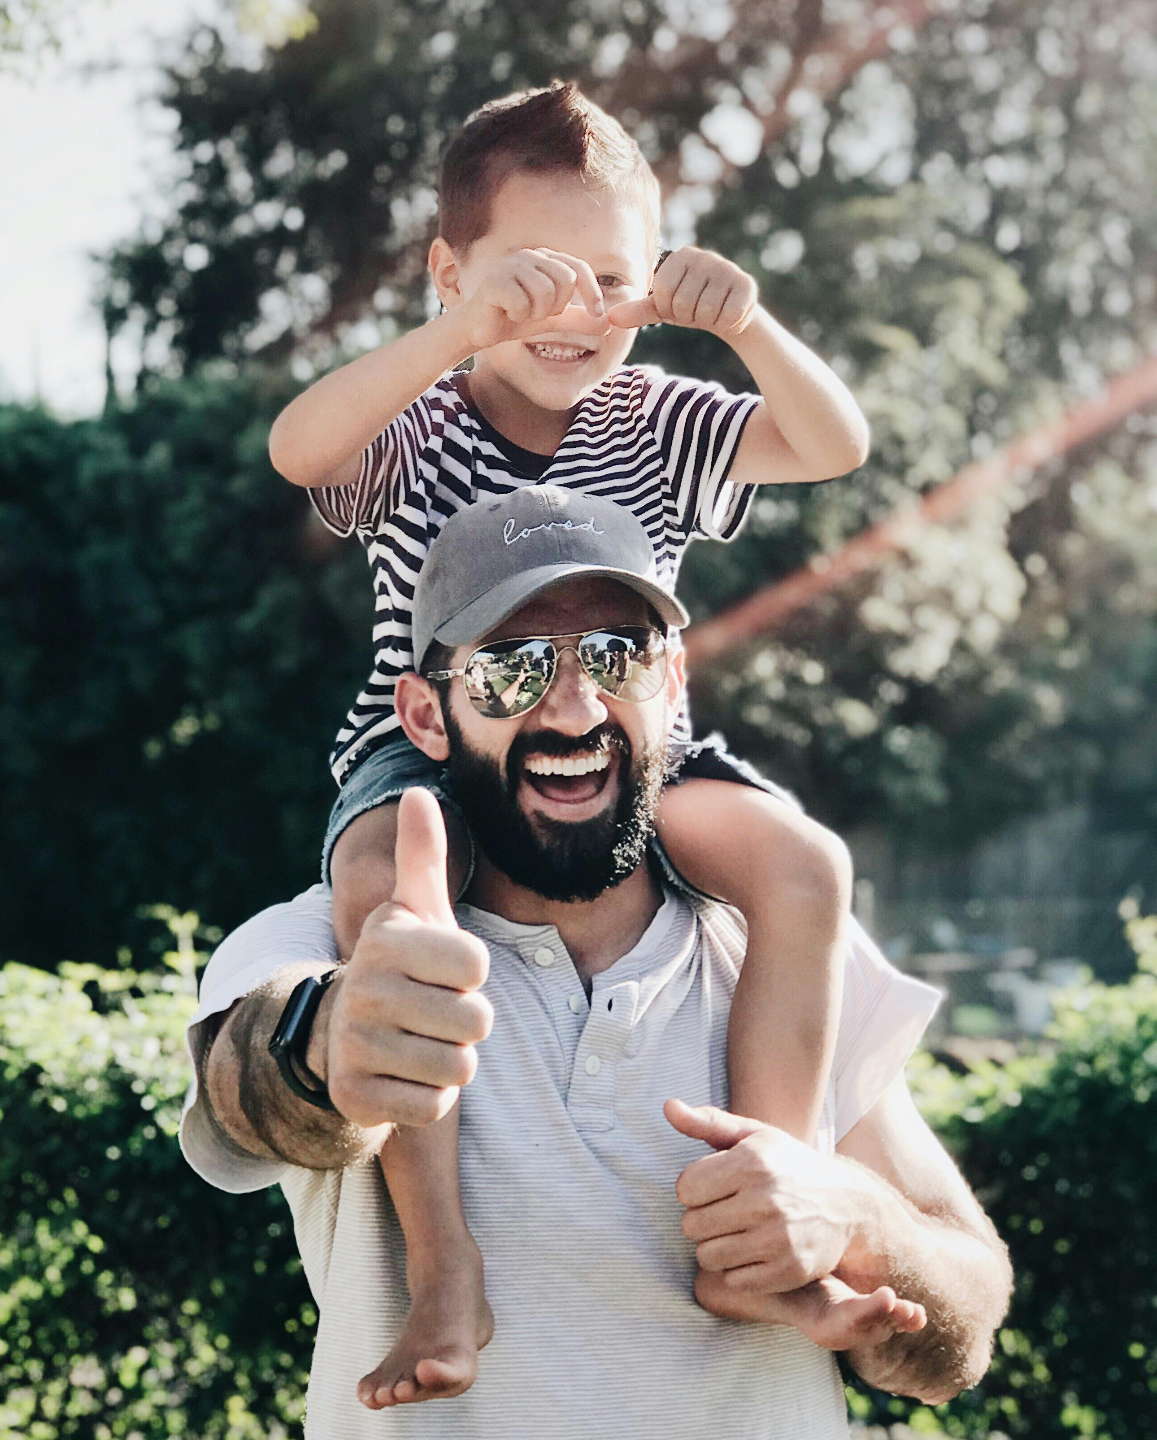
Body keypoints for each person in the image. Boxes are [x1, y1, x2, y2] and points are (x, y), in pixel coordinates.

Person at [266, 80, 877, 1406]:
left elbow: (834, 445)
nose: (572, 309)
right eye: (531, 276)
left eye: (608, 278)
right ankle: (444, 1265)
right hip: (431, 753)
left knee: (803, 865)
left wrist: (748, 324)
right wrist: (456, 335)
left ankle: (760, 1212)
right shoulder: (420, 420)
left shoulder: (656, 416)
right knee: (383, 891)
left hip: (632, 756)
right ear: (452, 273)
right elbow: (297, 448)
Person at [181, 489, 1012, 1440]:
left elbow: (965, 1329)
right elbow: (243, 1095)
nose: (575, 708)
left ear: (672, 681)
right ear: (425, 716)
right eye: (509, 668)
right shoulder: (334, 943)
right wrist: (325, 1045)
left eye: (620, 655)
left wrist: (860, 1220)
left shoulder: (783, 949)